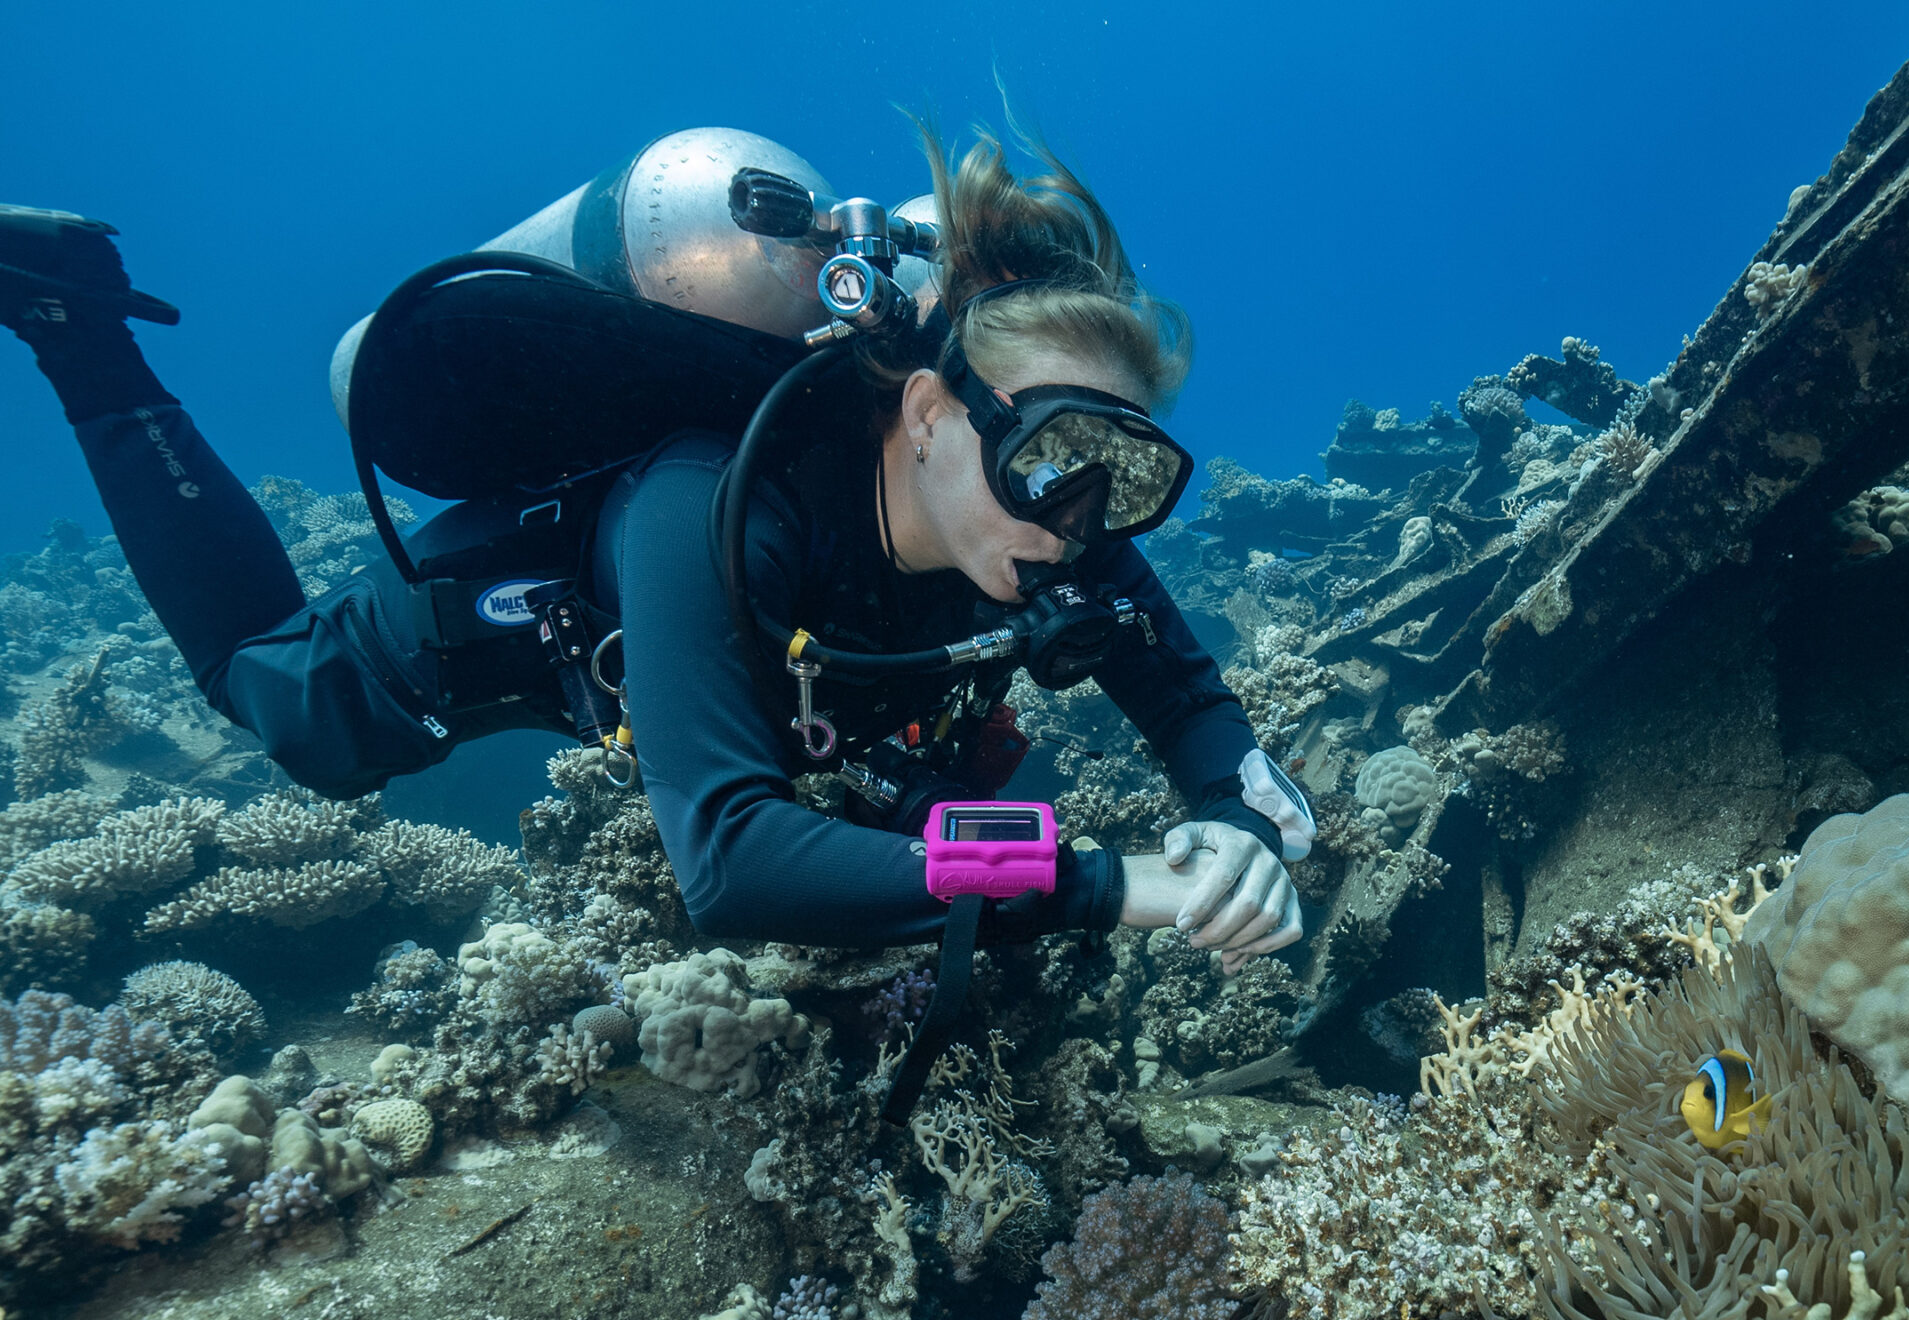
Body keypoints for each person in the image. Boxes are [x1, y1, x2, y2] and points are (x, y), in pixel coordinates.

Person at [3, 123, 1310, 973]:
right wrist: (1102, 881)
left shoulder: (1045, 522)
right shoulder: (718, 505)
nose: (1079, 515)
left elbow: (1191, 700)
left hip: (771, 687)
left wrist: (1233, 819)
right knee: (282, 705)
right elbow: (732, 861)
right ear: (928, 411)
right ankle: (80, 331)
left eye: (1124, 475)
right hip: (499, 629)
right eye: (1055, 457)